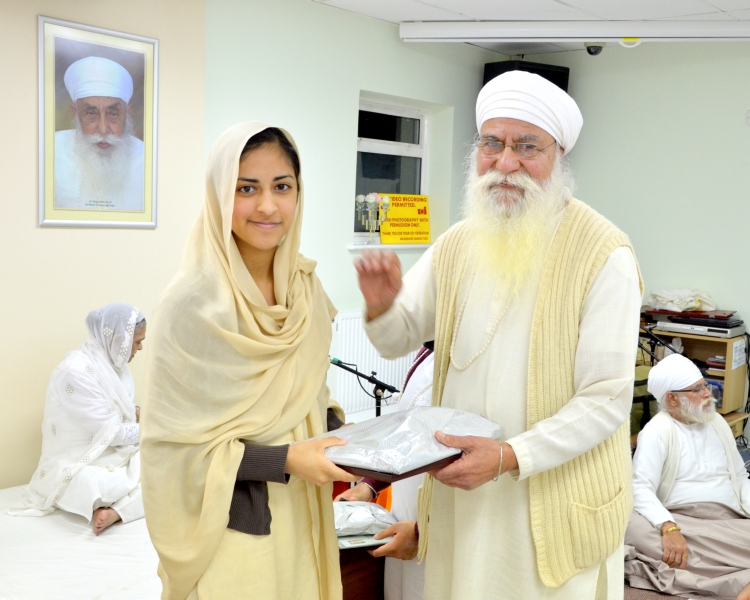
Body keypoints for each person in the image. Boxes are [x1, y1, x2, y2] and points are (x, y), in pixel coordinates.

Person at [356, 70, 643, 599]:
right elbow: (398, 338)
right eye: (492, 143)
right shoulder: (459, 243)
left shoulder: (604, 253)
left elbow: (605, 400)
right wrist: (380, 304)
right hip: (465, 500)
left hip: (549, 505)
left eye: (527, 147)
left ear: (558, 155)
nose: (506, 163)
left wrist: (510, 456)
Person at [140, 122, 358, 600]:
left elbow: (307, 396)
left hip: (305, 508)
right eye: (246, 189)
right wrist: (286, 459)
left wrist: (351, 440)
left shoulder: (305, 289)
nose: (267, 206)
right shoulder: (192, 304)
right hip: (232, 524)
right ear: (220, 195)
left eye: (282, 187)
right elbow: (172, 450)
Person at [9, 302, 146, 536]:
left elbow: (111, 407)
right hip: (82, 461)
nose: (141, 347)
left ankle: (116, 511)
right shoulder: (75, 372)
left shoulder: (114, 365)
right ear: (118, 340)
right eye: (137, 341)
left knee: (169, 462)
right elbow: (112, 434)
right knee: (91, 483)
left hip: (113, 453)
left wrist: (137, 412)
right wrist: (156, 428)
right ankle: (110, 503)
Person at [624, 353, 750, 600]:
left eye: (705, 385)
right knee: (630, 525)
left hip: (728, 518)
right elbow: (640, 488)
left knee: (684, 553)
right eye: (697, 389)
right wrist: (669, 527)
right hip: (682, 520)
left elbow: (739, 475)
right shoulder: (657, 431)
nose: (708, 393)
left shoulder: (717, 422)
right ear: (672, 398)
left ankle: (725, 573)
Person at [335, 343, 434, 600]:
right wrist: (369, 484)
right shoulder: (428, 349)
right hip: (401, 523)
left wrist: (423, 532)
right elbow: (407, 436)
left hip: (437, 533)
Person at [55, 56, 144, 211]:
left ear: (127, 113)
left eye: (113, 114)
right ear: (74, 112)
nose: (103, 130)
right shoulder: (51, 150)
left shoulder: (146, 157)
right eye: (91, 113)